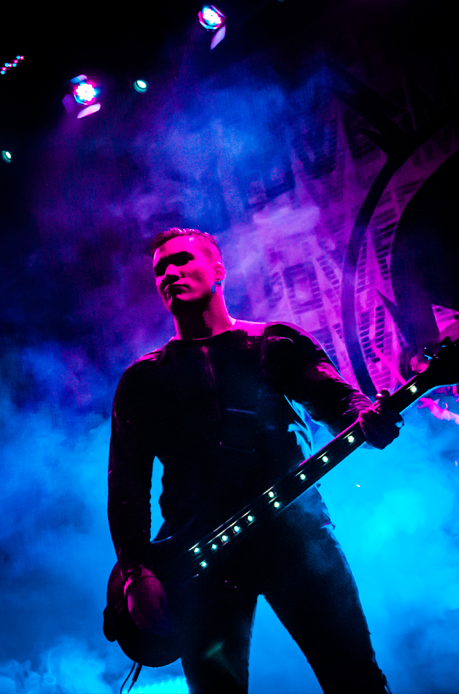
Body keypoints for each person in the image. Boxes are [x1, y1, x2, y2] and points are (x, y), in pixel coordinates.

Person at [108, 227, 402, 693]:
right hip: (201, 562)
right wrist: (134, 574)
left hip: (299, 542)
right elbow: (126, 487)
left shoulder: (275, 344)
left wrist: (367, 418)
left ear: (218, 270)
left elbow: (339, 400)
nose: (169, 273)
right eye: (160, 269)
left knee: (355, 681)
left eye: (182, 260)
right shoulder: (143, 380)